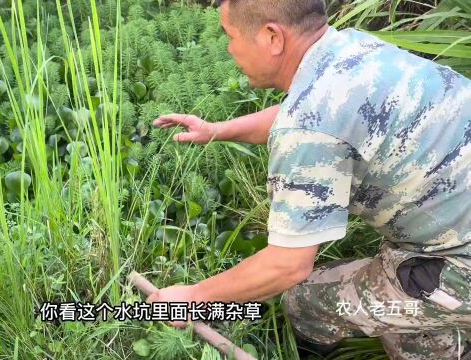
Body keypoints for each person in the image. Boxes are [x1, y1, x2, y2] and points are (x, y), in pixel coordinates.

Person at [146, 0, 471, 359]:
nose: (228, 49)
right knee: (408, 321)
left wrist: (191, 297)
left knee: (307, 301)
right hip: (456, 226)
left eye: (231, 36)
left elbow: (287, 266)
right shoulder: (351, 48)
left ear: (272, 37)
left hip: (462, 264)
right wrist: (217, 130)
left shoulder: (307, 129)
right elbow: (314, 112)